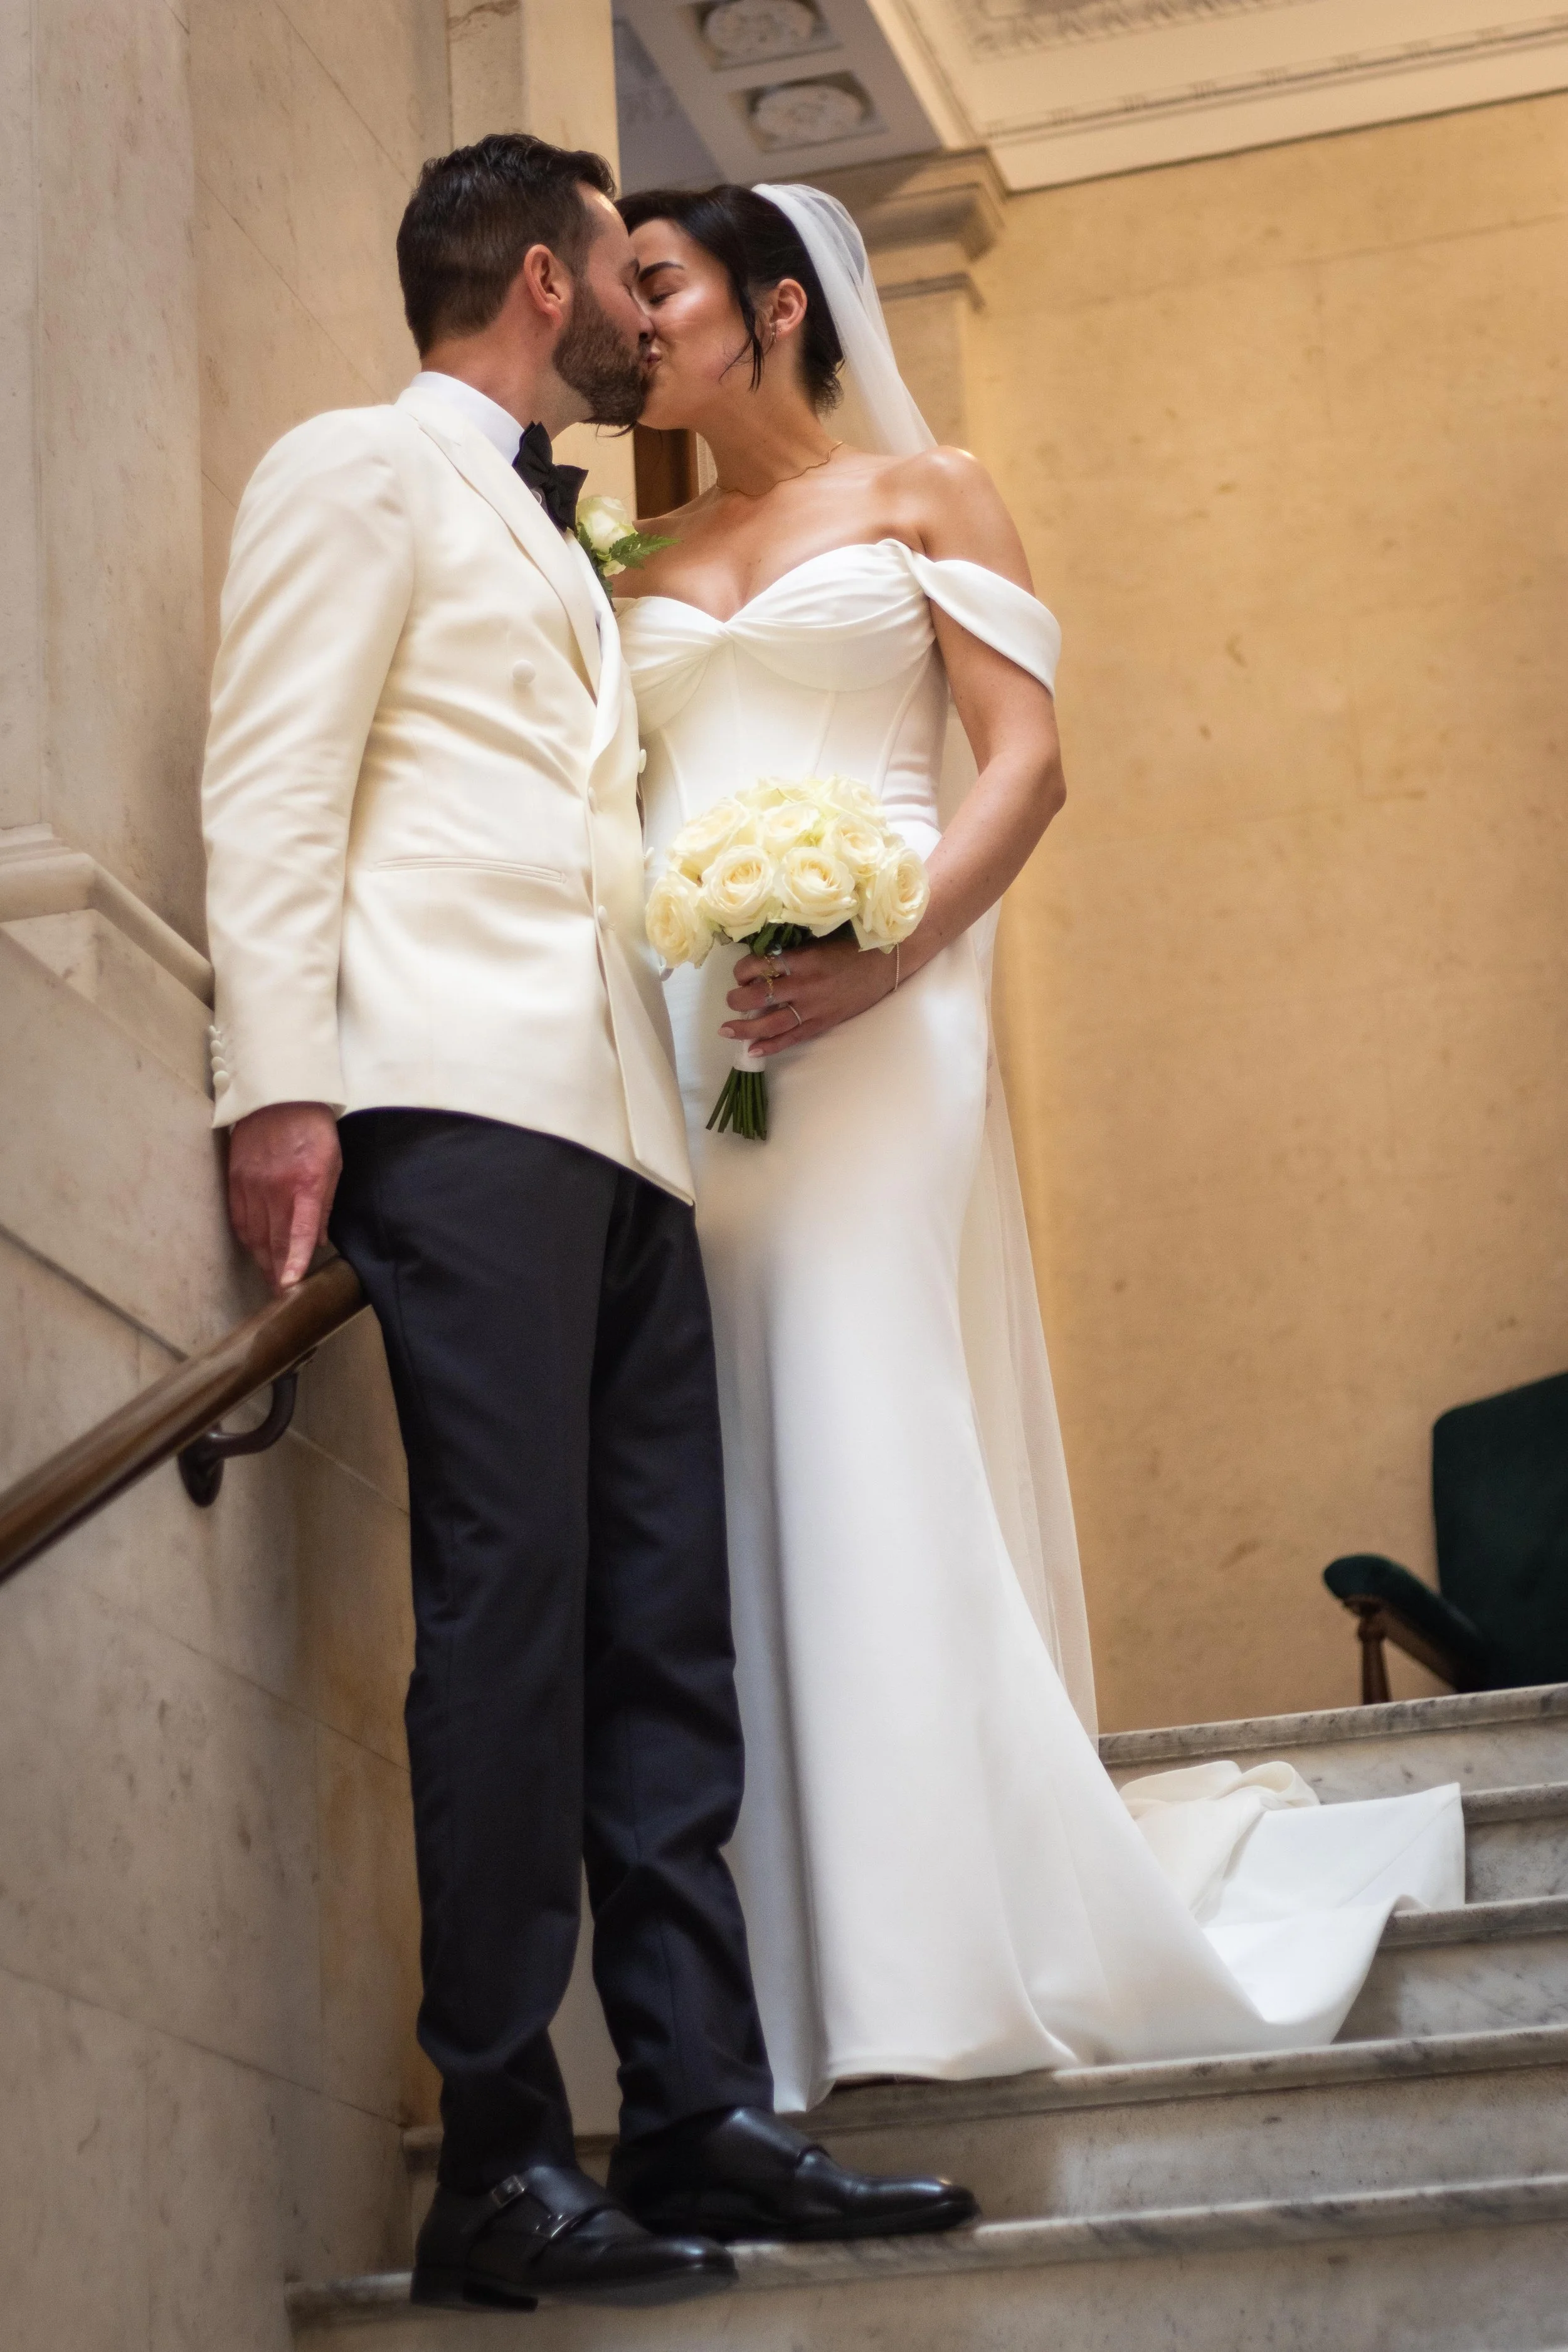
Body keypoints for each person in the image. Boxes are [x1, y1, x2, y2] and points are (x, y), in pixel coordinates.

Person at [199, 136, 977, 2317]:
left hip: (630, 1127)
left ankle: (701, 2097)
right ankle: (504, 2158)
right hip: (456, 1106)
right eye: (621, 275)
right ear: (547, 285)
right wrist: (279, 1084)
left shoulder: (566, 526)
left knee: (660, 1621)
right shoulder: (352, 469)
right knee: (514, 1608)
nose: (656, 307)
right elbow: (273, 775)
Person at [612, 181, 1465, 2116]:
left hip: (884, 1012)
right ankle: (757, 1972)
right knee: (718, 1447)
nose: (627, 317)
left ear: (769, 305)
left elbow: (1025, 757)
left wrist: (885, 945)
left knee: (860, 1405)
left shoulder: (928, 494)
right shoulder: (624, 551)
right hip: (692, 1031)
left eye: (656, 283)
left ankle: (922, 1953)